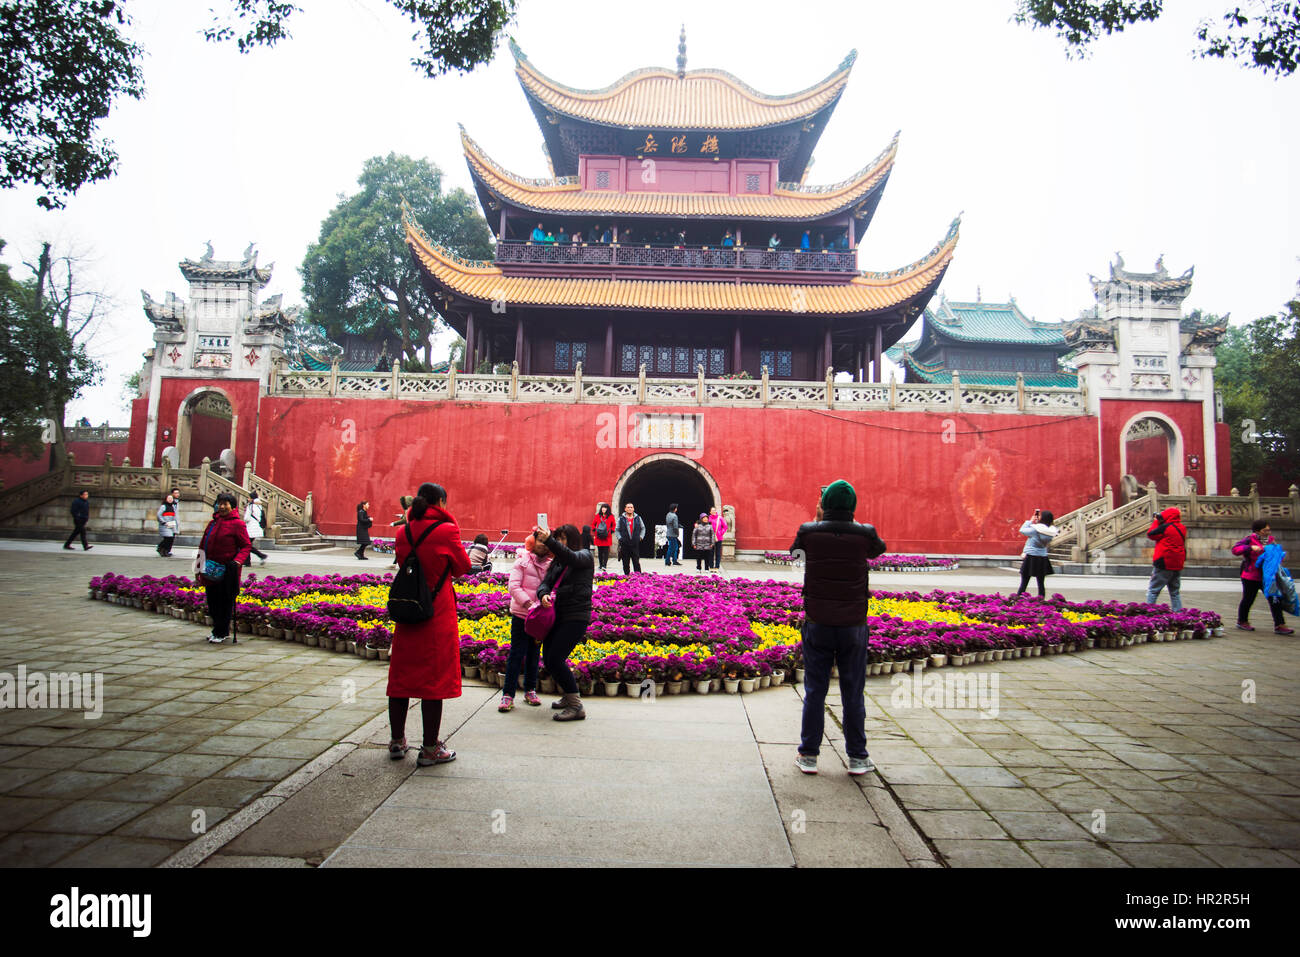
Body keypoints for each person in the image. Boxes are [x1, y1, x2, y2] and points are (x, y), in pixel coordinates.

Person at [790, 480, 887, 775]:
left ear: (824, 505)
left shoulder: (809, 532)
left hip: (817, 621)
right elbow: (877, 551)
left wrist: (819, 522)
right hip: (853, 624)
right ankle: (857, 757)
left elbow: (796, 555)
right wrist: (851, 523)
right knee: (853, 692)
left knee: (815, 690)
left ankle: (808, 755)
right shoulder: (865, 533)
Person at [387, 482, 471, 765]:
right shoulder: (447, 530)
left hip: (409, 610)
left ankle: (397, 741)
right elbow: (462, 567)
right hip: (436, 613)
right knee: (433, 681)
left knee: (401, 678)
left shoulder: (403, 531)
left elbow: (404, 564)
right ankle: (430, 748)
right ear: (441, 503)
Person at [534, 523, 595, 721]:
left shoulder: (584, 556)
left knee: (555, 659)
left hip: (576, 616)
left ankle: (576, 706)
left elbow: (572, 557)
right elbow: (545, 583)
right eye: (557, 539)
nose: (560, 543)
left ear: (573, 540)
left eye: (563, 539)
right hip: (558, 615)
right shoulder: (558, 562)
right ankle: (569, 697)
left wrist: (550, 541)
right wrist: (543, 594)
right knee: (549, 657)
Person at [501, 533, 553, 711]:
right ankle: (508, 694)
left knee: (533, 654)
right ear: (532, 542)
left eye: (546, 541)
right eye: (539, 540)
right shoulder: (522, 561)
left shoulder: (552, 565)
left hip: (538, 619)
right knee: (516, 654)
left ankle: (530, 690)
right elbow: (514, 586)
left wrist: (546, 601)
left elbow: (555, 588)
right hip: (522, 615)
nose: (542, 544)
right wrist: (530, 604)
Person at [197, 492, 253, 644]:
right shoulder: (212, 523)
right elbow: (203, 545)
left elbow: (246, 546)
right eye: (219, 503)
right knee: (212, 602)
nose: (221, 507)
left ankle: (221, 632)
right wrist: (198, 567)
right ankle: (218, 629)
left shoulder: (238, 524)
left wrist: (237, 562)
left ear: (232, 506)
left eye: (225, 504)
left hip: (228, 570)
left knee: (225, 602)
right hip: (209, 569)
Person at [1234, 519, 1294, 634]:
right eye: (1265, 530)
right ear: (1258, 531)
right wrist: (1250, 548)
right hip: (1251, 575)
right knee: (1248, 599)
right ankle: (1242, 621)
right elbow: (1235, 550)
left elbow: (1276, 554)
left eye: (1268, 530)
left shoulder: (1271, 541)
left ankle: (1280, 624)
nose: (1268, 532)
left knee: (1274, 599)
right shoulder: (1249, 540)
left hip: (1268, 576)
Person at [1145, 506, 1186, 611]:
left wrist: (1156, 522)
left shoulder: (1165, 527)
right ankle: (1178, 613)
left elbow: (1151, 534)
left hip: (1164, 562)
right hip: (1177, 563)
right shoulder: (1182, 527)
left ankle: (1149, 613)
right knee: (1175, 592)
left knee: (1153, 590)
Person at [1017, 509, 1058, 597]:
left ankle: (1018, 599)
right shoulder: (1051, 531)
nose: (1038, 517)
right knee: (1041, 583)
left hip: (1031, 557)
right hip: (1042, 557)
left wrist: (1030, 521)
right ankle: (1041, 600)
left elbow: (1022, 530)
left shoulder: (1035, 530)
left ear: (1042, 518)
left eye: (1039, 516)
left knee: (1024, 582)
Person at [242, 491, 269, 566]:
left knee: (246, 545)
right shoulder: (259, 506)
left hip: (250, 528)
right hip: (257, 527)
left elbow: (246, 518)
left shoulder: (250, 506)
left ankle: (261, 555)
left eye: (249, 498)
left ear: (251, 498)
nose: (248, 499)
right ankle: (247, 562)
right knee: (247, 545)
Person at [617, 502, 644, 574]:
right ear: (625, 509)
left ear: (633, 509)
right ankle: (627, 577)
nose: (630, 509)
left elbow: (643, 528)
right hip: (624, 544)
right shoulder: (621, 519)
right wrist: (620, 538)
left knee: (636, 562)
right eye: (628, 507)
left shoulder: (638, 518)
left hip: (635, 544)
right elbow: (617, 530)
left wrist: (641, 537)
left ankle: (638, 578)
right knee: (625, 563)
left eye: (631, 507)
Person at [389, 495, 414, 566]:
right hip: (410, 531)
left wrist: (394, 523)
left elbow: (405, 520)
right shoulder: (412, 509)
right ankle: (394, 563)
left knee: (402, 548)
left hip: (409, 531)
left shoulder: (409, 509)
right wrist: (402, 516)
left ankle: (395, 563)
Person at [591, 503, 616, 571]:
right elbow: (593, 524)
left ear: (607, 509)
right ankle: (600, 565)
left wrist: (611, 531)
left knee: (606, 552)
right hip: (599, 536)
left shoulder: (611, 516)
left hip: (607, 537)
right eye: (602, 507)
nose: (603, 509)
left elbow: (613, 525)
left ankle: (604, 565)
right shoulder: (598, 516)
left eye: (605, 508)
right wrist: (595, 529)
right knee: (600, 552)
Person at [709, 505, 728, 572]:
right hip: (710, 538)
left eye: (714, 510)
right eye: (712, 510)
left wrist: (720, 533)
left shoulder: (720, 518)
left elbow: (725, 527)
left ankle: (717, 566)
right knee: (711, 552)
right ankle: (711, 566)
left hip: (718, 538)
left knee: (718, 553)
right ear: (710, 512)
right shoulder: (709, 519)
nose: (713, 511)